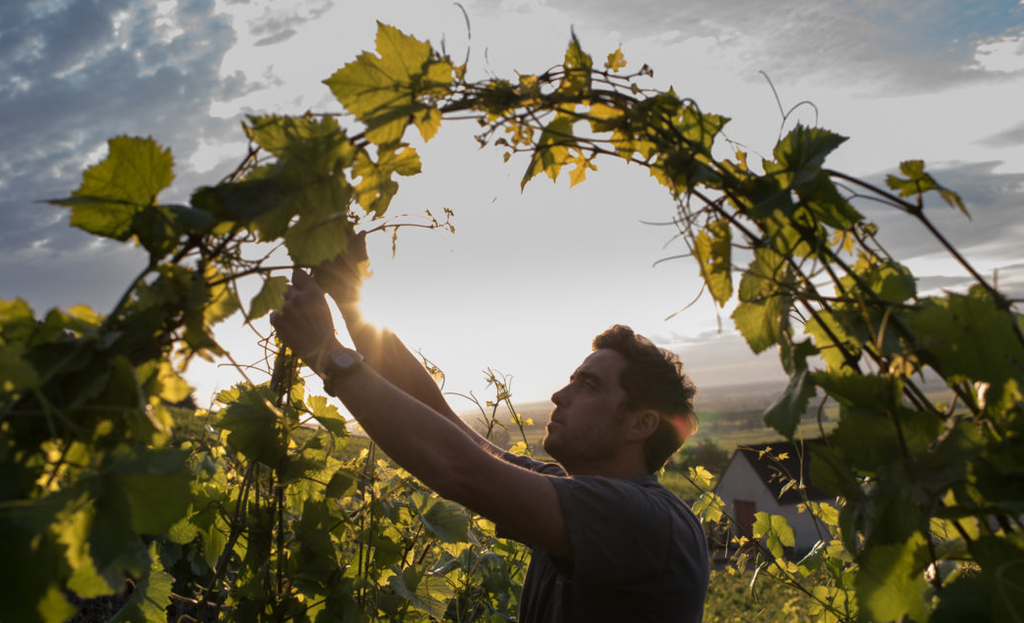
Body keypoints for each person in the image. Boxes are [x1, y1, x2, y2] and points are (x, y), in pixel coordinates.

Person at [269, 235, 710, 622]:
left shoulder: (647, 521)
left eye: (588, 385)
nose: (560, 395)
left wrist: (327, 354)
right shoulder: (570, 493)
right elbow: (448, 424)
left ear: (641, 424)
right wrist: (350, 300)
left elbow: (460, 468)